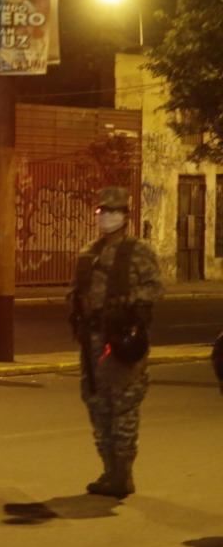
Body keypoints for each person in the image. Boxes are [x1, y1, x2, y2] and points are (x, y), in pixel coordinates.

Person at [68, 186, 162, 498]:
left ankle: (123, 474)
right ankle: (109, 470)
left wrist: (127, 303)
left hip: (121, 339)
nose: (106, 217)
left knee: (123, 405)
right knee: (97, 405)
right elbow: (76, 292)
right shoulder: (89, 253)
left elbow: (155, 288)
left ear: (125, 216)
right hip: (92, 341)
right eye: (102, 211)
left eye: (113, 211)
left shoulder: (138, 252)